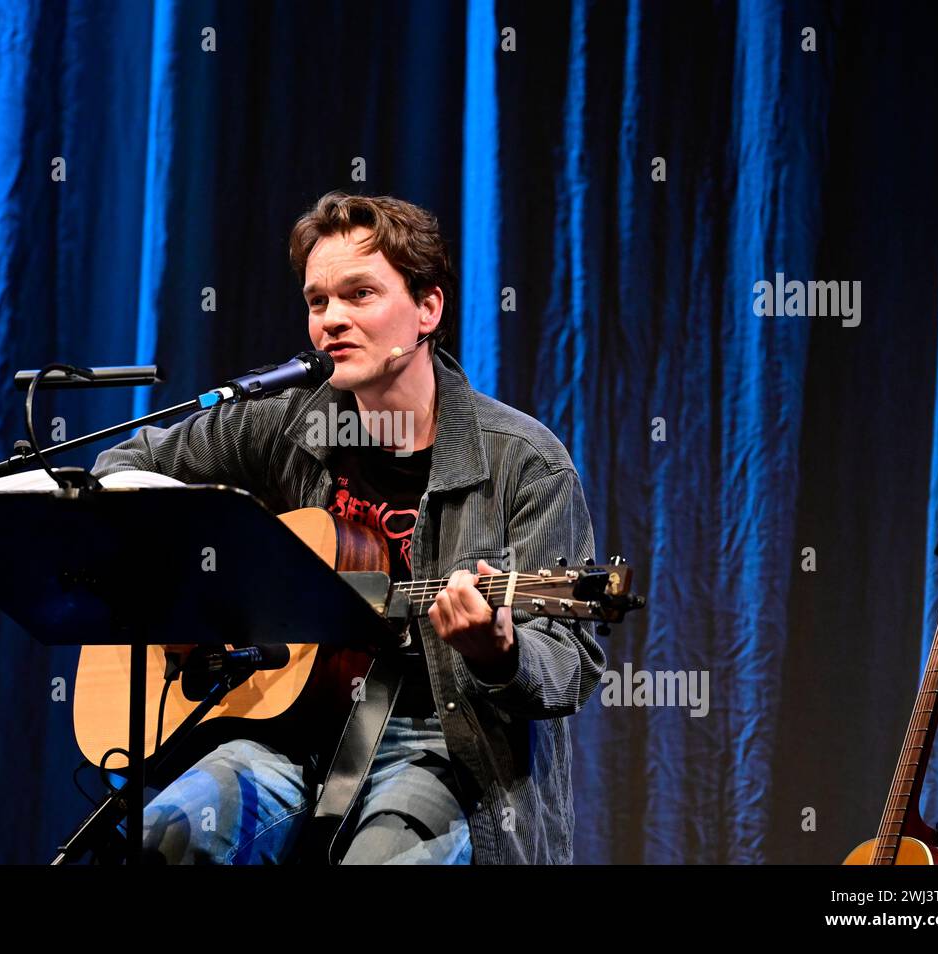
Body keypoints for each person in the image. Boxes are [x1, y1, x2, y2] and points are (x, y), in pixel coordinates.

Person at [92, 191, 606, 864]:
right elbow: (121, 469)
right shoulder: (283, 420)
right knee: (152, 846)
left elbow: (572, 657)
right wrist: (193, 598)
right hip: (284, 728)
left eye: (359, 295)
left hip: (440, 741)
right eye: (317, 302)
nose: (331, 320)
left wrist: (498, 652)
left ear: (428, 309)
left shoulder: (524, 460)